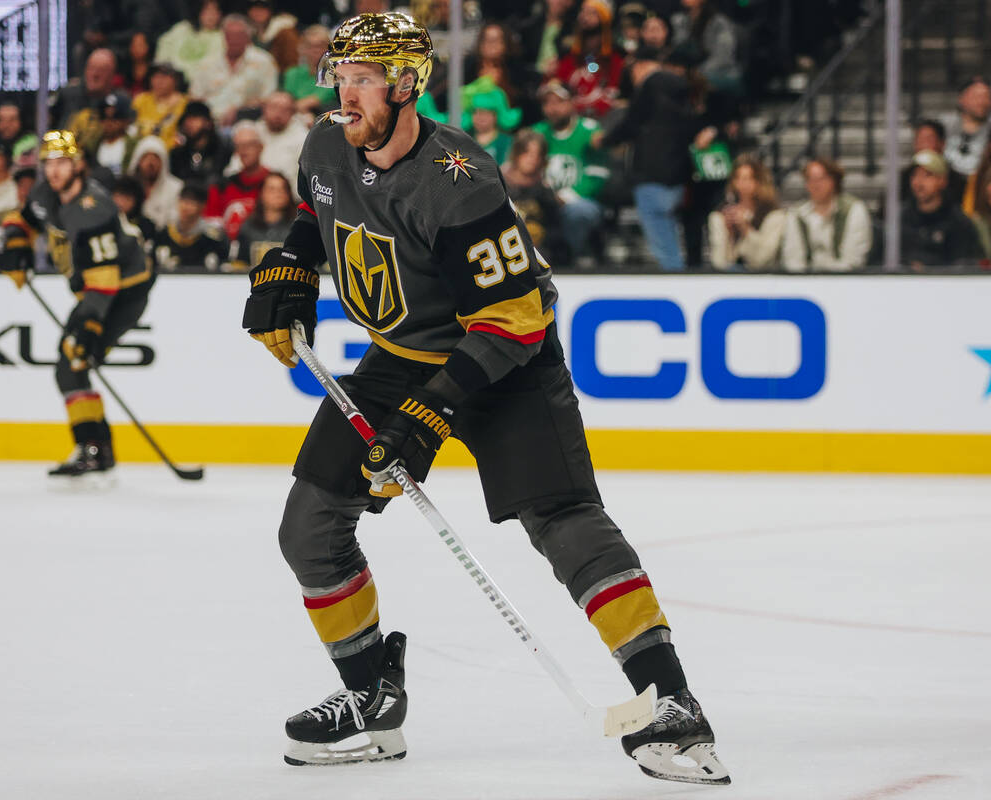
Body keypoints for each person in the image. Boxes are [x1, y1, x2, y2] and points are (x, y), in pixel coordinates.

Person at [240, 12, 728, 784]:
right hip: (401, 354)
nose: (346, 93)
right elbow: (317, 209)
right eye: (341, 76)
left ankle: (671, 701)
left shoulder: (458, 179)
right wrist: (290, 268)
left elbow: (515, 318)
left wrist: (431, 412)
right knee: (308, 528)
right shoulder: (328, 143)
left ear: (406, 86)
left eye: (364, 79)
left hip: (505, 361)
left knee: (563, 521)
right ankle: (372, 698)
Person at [0, 131, 153, 477]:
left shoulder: (93, 210)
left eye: (62, 162)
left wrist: (88, 326)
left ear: (78, 165)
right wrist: (14, 242)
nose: (54, 171)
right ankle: (98, 449)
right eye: (49, 163)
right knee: (73, 366)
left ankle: (94, 447)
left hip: (123, 295)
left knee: (71, 363)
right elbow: (23, 219)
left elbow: (106, 282)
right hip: (97, 291)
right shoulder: (45, 195)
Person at [595, 47, 697, 270]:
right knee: (672, 233)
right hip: (678, 177)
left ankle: (675, 281)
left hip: (652, 176)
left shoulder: (650, 86)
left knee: (664, 244)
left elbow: (631, 123)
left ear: (641, 66)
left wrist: (604, 140)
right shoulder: (680, 90)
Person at [534, 81, 609, 268]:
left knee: (579, 212)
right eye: (547, 103)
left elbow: (598, 176)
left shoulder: (589, 131)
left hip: (582, 201)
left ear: (572, 103)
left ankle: (565, 261)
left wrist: (565, 196)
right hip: (545, 200)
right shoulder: (537, 133)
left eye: (558, 102)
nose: (552, 109)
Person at [781, 157, 872, 272]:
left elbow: (853, 259)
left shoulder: (853, 209)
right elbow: (792, 258)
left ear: (834, 181)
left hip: (845, 280)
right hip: (806, 280)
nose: (815, 185)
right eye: (810, 179)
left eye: (821, 179)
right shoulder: (796, 214)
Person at [899, 149, 983, 271]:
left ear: (942, 180)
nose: (919, 182)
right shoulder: (901, 218)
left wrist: (927, 268)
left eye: (927, 175)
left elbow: (963, 266)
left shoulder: (959, 222)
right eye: (915, 175)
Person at [188, 14, 279, 125]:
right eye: (229, 35)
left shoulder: (264, 61)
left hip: (248, 122)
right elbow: (195, 97)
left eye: (239, 35)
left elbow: (269, 100)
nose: (234, 39)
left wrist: (240, 112)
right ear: (223, 36)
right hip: (209, 123)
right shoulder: (207, 63)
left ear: (248, 36)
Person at [706, 155, 786, 270]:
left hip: (763, 279)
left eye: (748, 178)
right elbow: (719, 262)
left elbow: (764, 259)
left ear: (759, 182)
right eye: (738, 178)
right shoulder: (720, 216)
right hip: (730, 279)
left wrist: (746, 229)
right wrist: (730, 235)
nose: (742, 183)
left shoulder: (774, 216)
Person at [501, 129, 563, 258]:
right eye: (526, 153)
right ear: (516, 154)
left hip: (541, 252)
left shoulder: (545, 189)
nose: (532, 159)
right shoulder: (500, 185)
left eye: (537, 155)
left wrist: (540, 236)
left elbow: (556, 227)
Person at [205, 122, 271, 240]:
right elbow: (211, 226)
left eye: (249, 145)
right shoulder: (221, 186)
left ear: (261, 147)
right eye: (239, 146)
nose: (244, 151)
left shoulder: (275, 183)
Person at [153, 182, 228, 271]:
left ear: (203, 206)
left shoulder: (213, 239)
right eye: (183, 201)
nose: (185, 207)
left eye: (191, 203)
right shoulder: (164, 234)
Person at [233, 170, 295, 268]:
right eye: (272, 189)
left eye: (283, 189)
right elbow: (240, 264)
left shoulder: (298, 228)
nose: (278, 193)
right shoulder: (248, 227)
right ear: (261, 194)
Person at [939, 77, 991, 194]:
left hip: (983, 192)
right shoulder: (942, 126)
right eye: (976, 96)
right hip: (947, 190)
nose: (981, 102)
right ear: (961, 98)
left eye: (986, 96)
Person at [168, 101, 234, 186]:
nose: (189, 123)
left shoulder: (222, 152)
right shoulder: (177, 155)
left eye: (194, 118)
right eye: (187, 119)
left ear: (208, 122)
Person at [127, 135, 184, 229]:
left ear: (164, 161)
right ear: (137, 161)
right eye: (146, 157)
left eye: (156, 158)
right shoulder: (126, 187)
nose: (151, 163)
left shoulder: (176, 188)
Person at [283, 24, 337, 116]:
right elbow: (285, 102)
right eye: (310, 46)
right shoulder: (292, 73)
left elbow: (308, 103)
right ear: (302, 49)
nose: (315, 50)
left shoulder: (337, 74)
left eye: (320, 46)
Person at [132, 62, 188, 149]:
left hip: (171, 152)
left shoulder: (185, 103)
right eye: (156, 76)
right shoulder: (141, 100)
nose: (159, 81)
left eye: (164, 77)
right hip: (141, 151)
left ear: (176, 80)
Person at [88, 91, 141, 180]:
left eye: (115, 117)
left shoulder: (135, 146)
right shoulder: (92, 145)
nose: (109, 123)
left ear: (126, 120)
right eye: (104, 117)